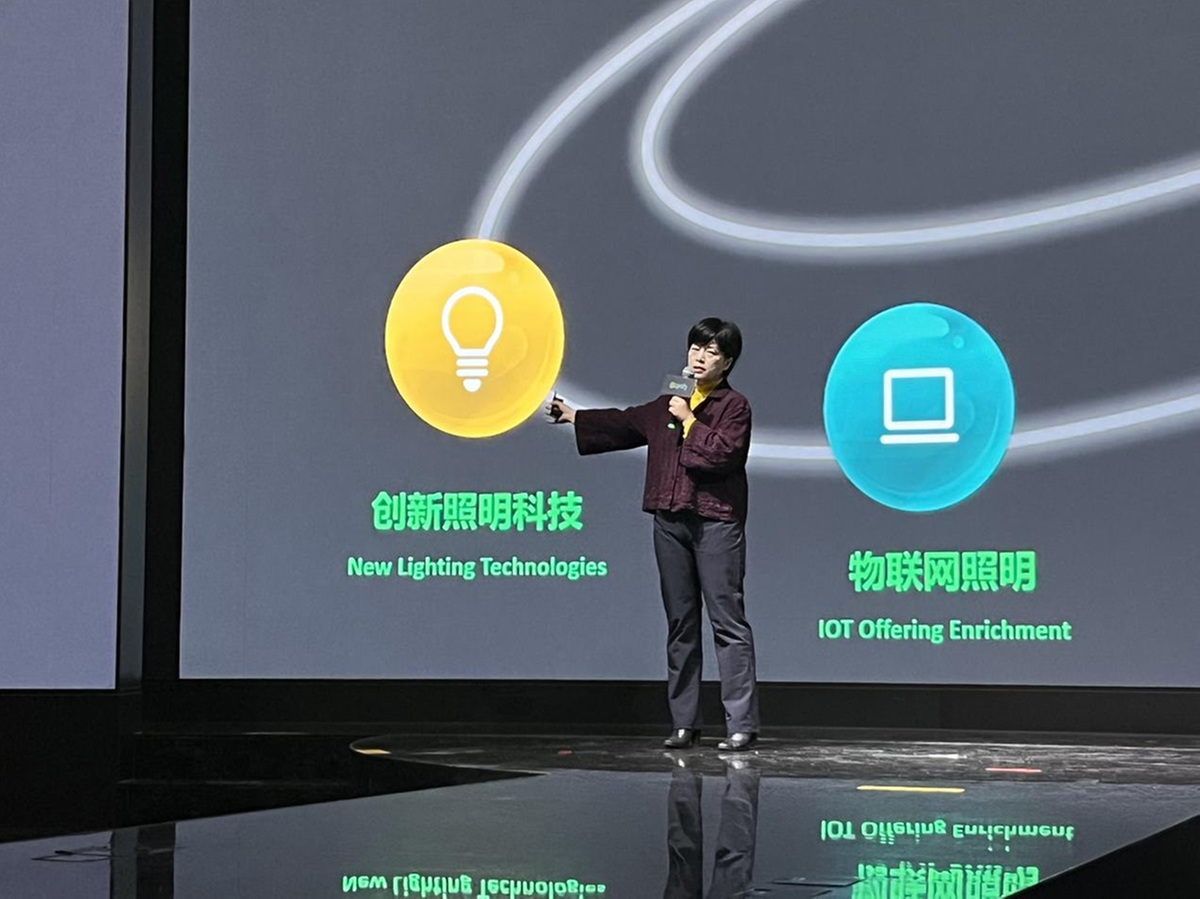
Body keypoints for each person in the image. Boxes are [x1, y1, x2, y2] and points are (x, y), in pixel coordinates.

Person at [547, 318, 760, 751]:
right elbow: (627, 422)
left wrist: (689, 421)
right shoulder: (670, 401)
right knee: (681, 623)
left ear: (727, 362)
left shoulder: (734, 406)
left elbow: (722, 456)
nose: (700, 357)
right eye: (696, 348)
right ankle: (684, 723)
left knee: (727, 623)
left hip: (716, 522)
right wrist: (574, 416)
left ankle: (740, 724)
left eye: (712, 352)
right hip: (670, 521)